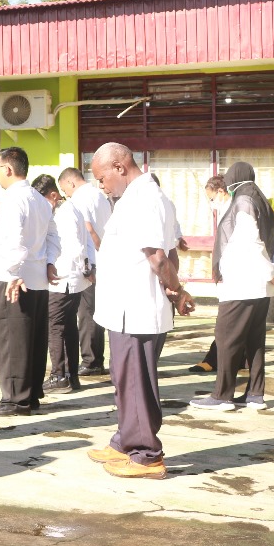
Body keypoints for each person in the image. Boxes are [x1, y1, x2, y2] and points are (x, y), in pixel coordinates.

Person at [88, 143, 194, 480]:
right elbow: (169, 252)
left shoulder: (146, 198)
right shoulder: (133, 198)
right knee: (125, 380)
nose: (101, 185)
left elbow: (160, 258)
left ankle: (147, 456)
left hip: (135, 309)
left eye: (102, 177)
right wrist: (174, 288)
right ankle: (125, 442)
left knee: (136, 383)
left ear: (119, 167)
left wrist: (176, 289)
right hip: (123, 309)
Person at [189, 163, 274, 412]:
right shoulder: (261, 202)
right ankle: (255, 395)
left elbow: (252, 243)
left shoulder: (243, 202)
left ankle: (222, 396)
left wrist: (272, 272)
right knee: (255, 342)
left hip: (242, 286)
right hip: (260, 288)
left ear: (233, 180)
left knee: (226, 339)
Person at [0, 147, 52, 417]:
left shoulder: (14, 198)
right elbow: (53, 236)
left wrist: (12, 272)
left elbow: (13, 238)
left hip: (13, 279)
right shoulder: (39, 199)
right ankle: (30, 395)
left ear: (8, 169)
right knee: (32, 340)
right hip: (37, 278)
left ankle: (15, 400)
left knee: (11, 341)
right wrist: (51, 263)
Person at [35, 174, 90, 394]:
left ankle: (59, 375)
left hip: (63, 278)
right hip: (71, 277)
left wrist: (84, 267)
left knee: (55, 326)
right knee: (68, 326)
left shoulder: (62, 213)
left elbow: (74, 245)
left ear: (53, 195)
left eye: (43, 201)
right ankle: (71, 376)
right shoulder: (70, 209)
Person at [58, 168, 111, 378]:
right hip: (103, 261)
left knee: (87, 313)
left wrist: (89, 263)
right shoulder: (100, 195)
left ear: (70, 183)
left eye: (65, 190)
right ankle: (96, 359)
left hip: (90, 262)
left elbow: (88, 229)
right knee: (95, 311)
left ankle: (91, 361)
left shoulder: (79, 199)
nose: (66, 195)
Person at [190, 175, 231, 374]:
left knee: (225, 322)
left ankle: (214, 359)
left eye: (212, 198)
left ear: (221, 191)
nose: (212, 203)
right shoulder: (226, 210)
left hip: (238, 278)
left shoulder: (235, 209)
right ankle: (241, 359)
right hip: (231, 275)